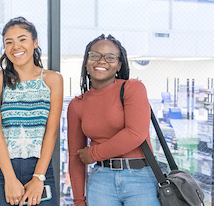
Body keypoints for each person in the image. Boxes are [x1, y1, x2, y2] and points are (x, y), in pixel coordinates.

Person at [67, 34, 160, 206]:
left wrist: (93, 153)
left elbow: (135, 134)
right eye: (94, 55)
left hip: (141, 179)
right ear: (86, 62)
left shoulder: (133, 88)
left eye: (110, 57)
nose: (101, 61)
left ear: (118, 65)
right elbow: (75, 156)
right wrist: (78, 200)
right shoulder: (77, 104)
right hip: (101, 181)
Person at [0, 17, 63, 206]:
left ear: (35, 42)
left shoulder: (53, 79)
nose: (15, 46)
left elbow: (51, 132)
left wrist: (39, 177)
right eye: (9, 42)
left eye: (22, 39)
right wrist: (9, 179)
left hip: (39, 167)